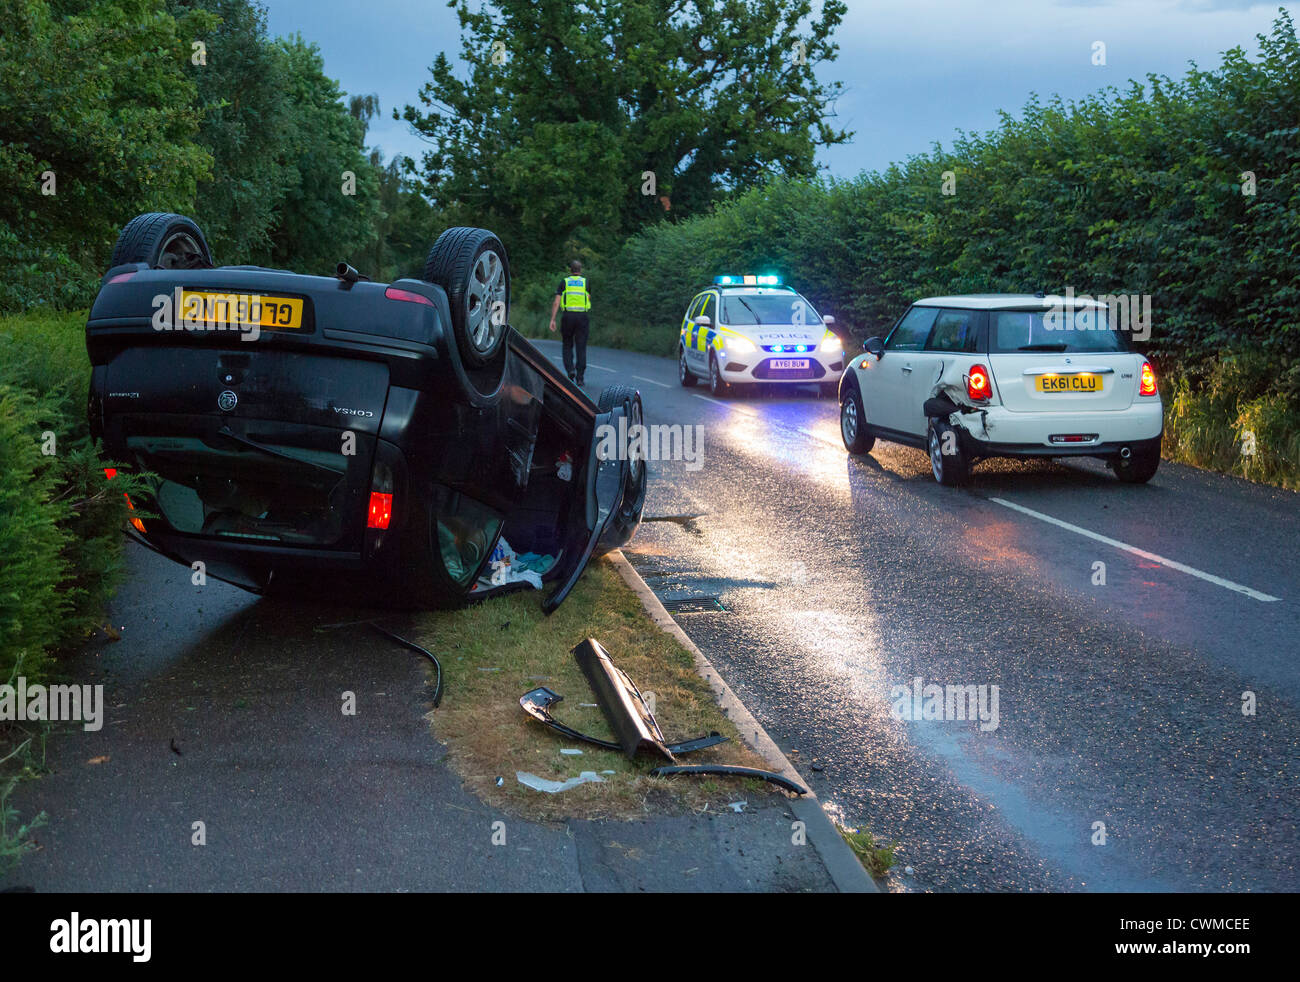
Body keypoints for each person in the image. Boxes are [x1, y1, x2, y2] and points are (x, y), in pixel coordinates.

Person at [549, 260, 590, 386]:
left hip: (568, 316)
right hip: (582, 316)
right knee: (581, 346)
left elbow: (556, 302)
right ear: (580, 270)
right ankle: (580, 377)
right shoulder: (585, 282)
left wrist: (553, 319)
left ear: (570, 270)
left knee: (567, 344)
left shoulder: (564, 282)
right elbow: (587, 298)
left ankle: (570, 370)